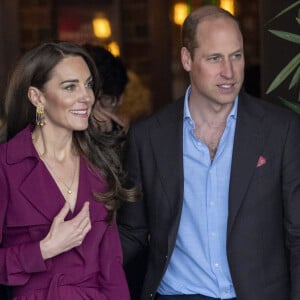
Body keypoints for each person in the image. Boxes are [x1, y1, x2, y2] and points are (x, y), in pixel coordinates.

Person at [117, 5, 300, 300]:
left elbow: (298, 234)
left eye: (236, 56)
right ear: (187, 59)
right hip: (178, 294)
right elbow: (132, 231)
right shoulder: (148, 136)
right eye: (214, 58)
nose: (229, 72)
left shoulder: (282, 130)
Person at [0, 41, 136, 299]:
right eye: (70, 86)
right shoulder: (6, 165)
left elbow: (112, 269)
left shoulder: (100, 165)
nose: (87, 97)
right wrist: (43, 250)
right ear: (37, 97)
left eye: (88, 85)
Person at [84, 44, 129, 133]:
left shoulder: (133, 138)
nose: (95, 110)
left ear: (120, 99)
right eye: (86, 99)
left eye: (105, 98)